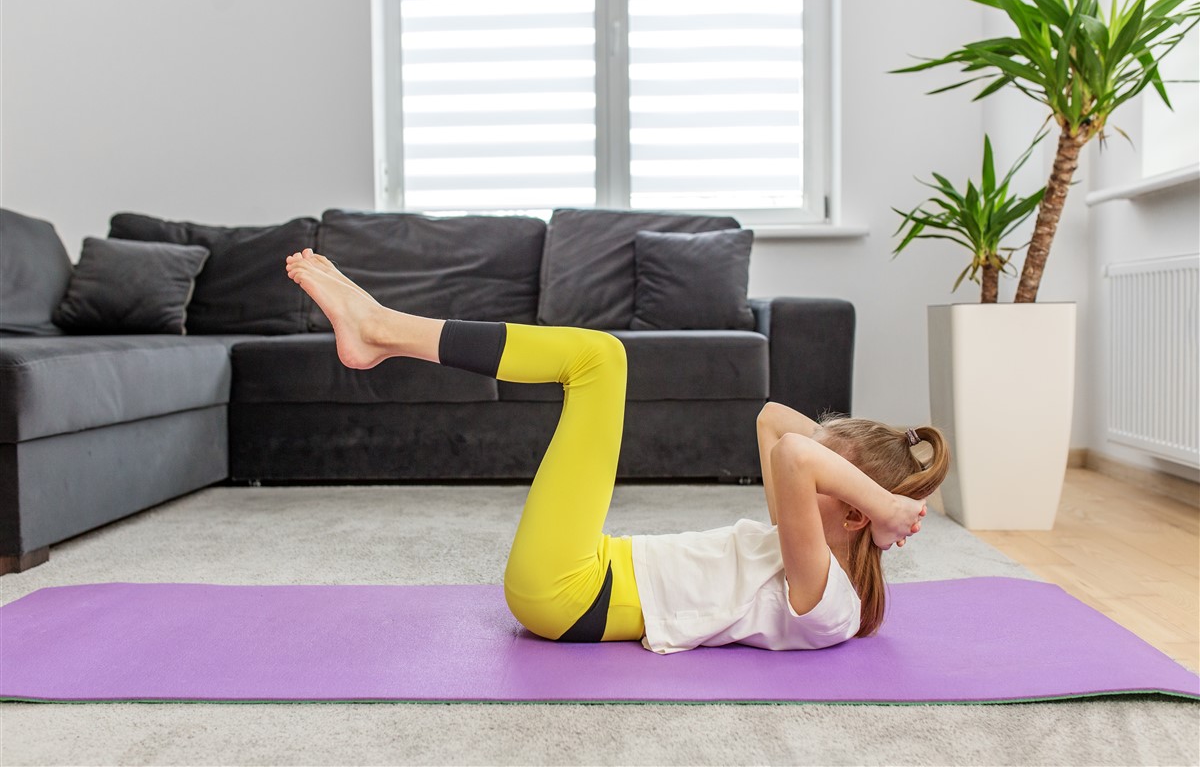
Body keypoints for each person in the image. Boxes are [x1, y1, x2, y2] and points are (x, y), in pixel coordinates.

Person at [285, 248, 949, 655]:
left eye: (838, 474)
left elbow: (794, 458)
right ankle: (381, 335)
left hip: (572, 594)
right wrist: (870, 488)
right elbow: (774, 422)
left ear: (856, 513)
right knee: (599, 358)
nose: (815, 455)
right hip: (591, 569)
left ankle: (379, 326)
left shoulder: (827, 597)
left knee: (598, 359)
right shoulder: (798, 541)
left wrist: (883, 502)